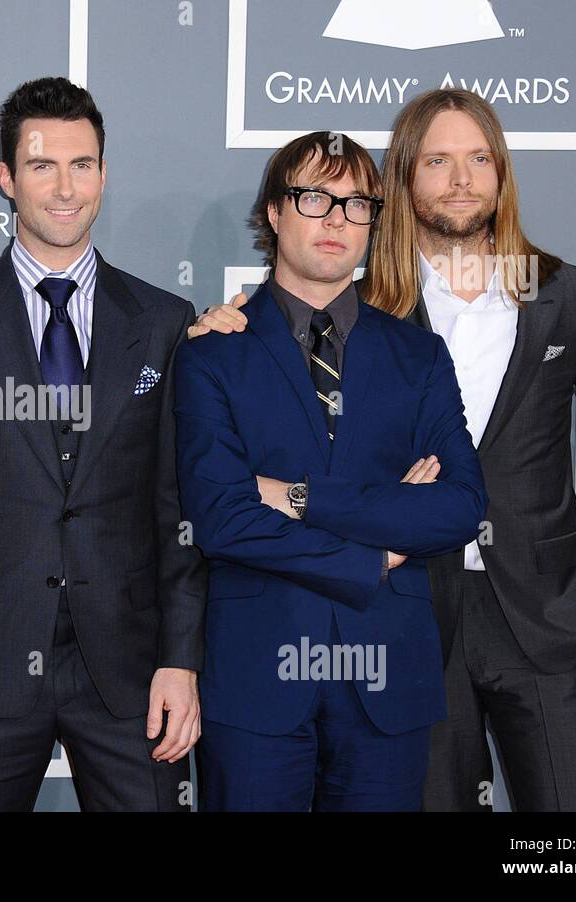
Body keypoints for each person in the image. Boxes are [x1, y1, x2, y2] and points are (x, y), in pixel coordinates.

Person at [191, 90, 576, 811]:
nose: (461, 178)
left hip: (542, 607)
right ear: (405, 180)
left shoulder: (566, 295)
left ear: (501, 173)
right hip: (412, 607)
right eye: (438, 160)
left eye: (479, 159)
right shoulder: (373, 303)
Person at [0, 77, 206, 811]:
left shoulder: (164, 320)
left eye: (83, 165)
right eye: (41, 166)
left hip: (129, 672)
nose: (65, 188)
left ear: (103, 172)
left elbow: (178, 512)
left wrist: (179, 659)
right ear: (5, 178)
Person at [175, 130, 486, 811]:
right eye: (315, 198)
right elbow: (224, 519)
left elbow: (460, 508)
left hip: (389, 678)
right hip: (257, 679)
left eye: (356, 204)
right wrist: (376, 550)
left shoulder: (419, 356)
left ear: (376, 221)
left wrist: (296, 496)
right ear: (274, 214)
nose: (337, 219)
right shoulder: (210, 353)